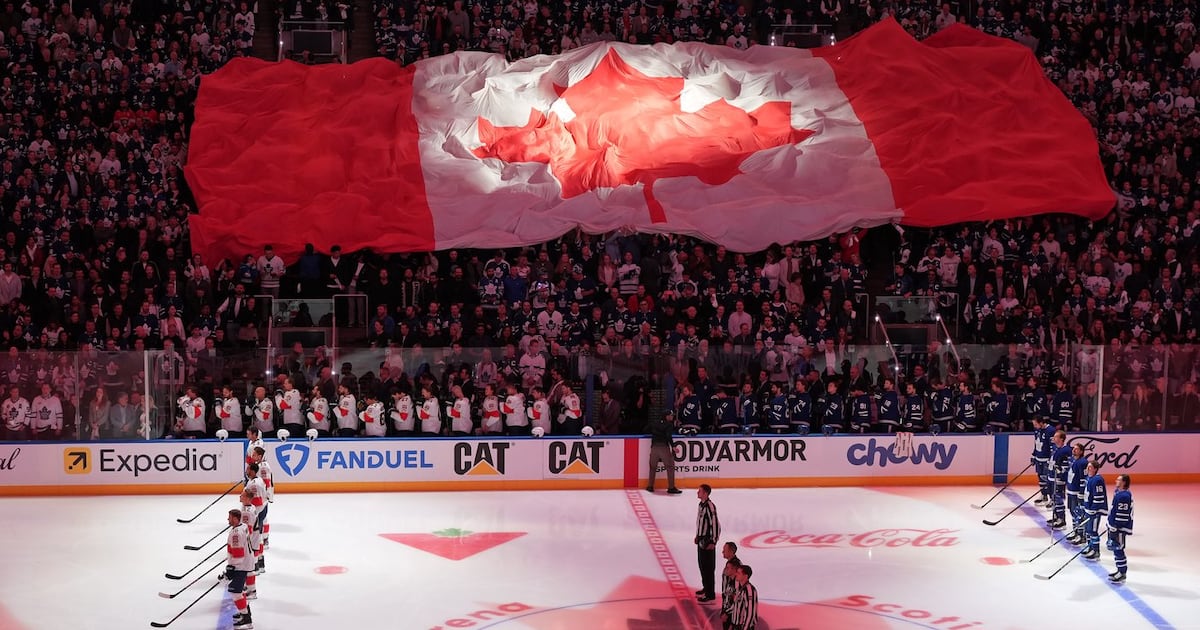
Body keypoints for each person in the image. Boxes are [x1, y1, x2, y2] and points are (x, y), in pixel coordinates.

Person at [223, 508, 256, 629]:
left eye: (230, 517)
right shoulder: (243, 526)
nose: (228, 519)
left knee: (235, 592)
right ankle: (245, 612)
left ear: (236, 519)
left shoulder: (236, 533)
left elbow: (238, 556)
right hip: (246, 562)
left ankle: (246, 618)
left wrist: (230, 569)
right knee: (239, 591)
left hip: (241, 566)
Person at [694, 484, 720, 602]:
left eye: (699, 491)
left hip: (708, 541)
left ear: (705, 493)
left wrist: (713, 541)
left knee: (708, 568)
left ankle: (710, 594)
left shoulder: (710, 506)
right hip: (701, 540)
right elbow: (700, 523)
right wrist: (697, 535)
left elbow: (715, 524)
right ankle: (706, 587)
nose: (697, 492)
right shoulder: (701, 505)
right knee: (702, 566)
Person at [1107, 474, 1133, 583]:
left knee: (1119, 549)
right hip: (1115, 527)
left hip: (1119, 529)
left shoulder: (1124, 496)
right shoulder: (1119, 493)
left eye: (1119, 480)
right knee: (1116, 549)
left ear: (1124, 482)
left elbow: (1122, 514)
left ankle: (1122, 573)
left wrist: (1115, 526)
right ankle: (1119, 570)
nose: (1116, 481)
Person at [646, 411, 681, 494]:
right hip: (663, 447)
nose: (672, 417)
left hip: (654, 448)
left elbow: (645, 429)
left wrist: (655, 432)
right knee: (670, 467)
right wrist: (673, 446)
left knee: (653, 467)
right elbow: (669, 436)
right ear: (666, 416)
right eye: (671, 415)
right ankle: (671, 487)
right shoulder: (669, 425)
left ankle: (650, 486)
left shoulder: (654, 423)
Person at [245, 462, 270, 573]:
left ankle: (256, 565)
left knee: (255, 539)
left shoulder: (254, 484)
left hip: (258, 512)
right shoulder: (256, 480)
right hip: (261, 510)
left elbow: (257, 501)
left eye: (248, 469)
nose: (246, 471)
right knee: (257, 538)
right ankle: (260, 564)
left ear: (252, 471)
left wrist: (251, 515)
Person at [1081, 459, 1108, 560]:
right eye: (1087, 467)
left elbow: (1099, 496)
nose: (1088, 469)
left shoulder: (1097, 480)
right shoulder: (1089, 478)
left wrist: (1094, 509)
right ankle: (1090, 548)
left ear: (1095, 469)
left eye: (1090, 467)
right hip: (1088, 510)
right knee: (1088, 531)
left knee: (1093, 531)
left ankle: (1096, 551)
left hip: (1094, 512)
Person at [237, 489, 261, 600]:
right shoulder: (249, 507)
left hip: (251, 542)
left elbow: (248, 530)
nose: (240, 496)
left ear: (247, 498)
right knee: (247, 567)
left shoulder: (247, 512)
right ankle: (248, 587)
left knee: (249, 568)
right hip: (253, 541)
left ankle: (252, 591)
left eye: (242, 495)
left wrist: (241, 543)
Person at [1065, 443, 1088, 544]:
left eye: (1077, 449)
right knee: (1072, 512)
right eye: (1073, 448)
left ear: (1081, 451)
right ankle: (1076, 531)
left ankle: (1081, 535)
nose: (1074, 450)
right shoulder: (1073, 460)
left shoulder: (1083, 462)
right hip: (1070, 491)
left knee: (1078, 513)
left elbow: (1084, 479)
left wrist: (1081, 492)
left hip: (1076, 492)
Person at [1049, 430, 1071, 529]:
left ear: (1061, 439)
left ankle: (1061, 520)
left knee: (1058, 499)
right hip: (1051, 477)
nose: (1054, 438)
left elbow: (1067, 466)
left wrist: (1061, 472)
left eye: (1056, 437)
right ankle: (1056, 516)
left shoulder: (1066, 450)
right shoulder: (1055, 448)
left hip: (1059, 479)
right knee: (1053, 498)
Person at [1031, 417, 1054, 506]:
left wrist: (1051, 460)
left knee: (1048, 480)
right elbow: (1036, 443)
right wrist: (1034, 455)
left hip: (1046, 460)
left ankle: (1052, 498)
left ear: (1041, 422)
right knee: (1041, 479)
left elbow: (1052, 447)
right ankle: (1044, 495)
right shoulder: (1037, 430)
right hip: (1039, 458)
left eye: (1036, 424)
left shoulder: (1051, 430)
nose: (1035, 426)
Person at [728, 563, 757, 630]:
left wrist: (745, 628)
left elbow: (750, 613)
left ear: (745, 576)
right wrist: (732, 624)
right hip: (736, 626)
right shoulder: (740, 589)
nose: (736, 574)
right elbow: (736, 607)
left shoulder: (749, 590)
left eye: (738, 573)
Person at [719, 542, 742, 628]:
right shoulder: (731, 563)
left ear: (731, 551)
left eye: (725, 550)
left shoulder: (737, 566)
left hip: (731, 606)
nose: (722, 552)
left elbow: (737, 595)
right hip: (727, 602)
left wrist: (727, 612)